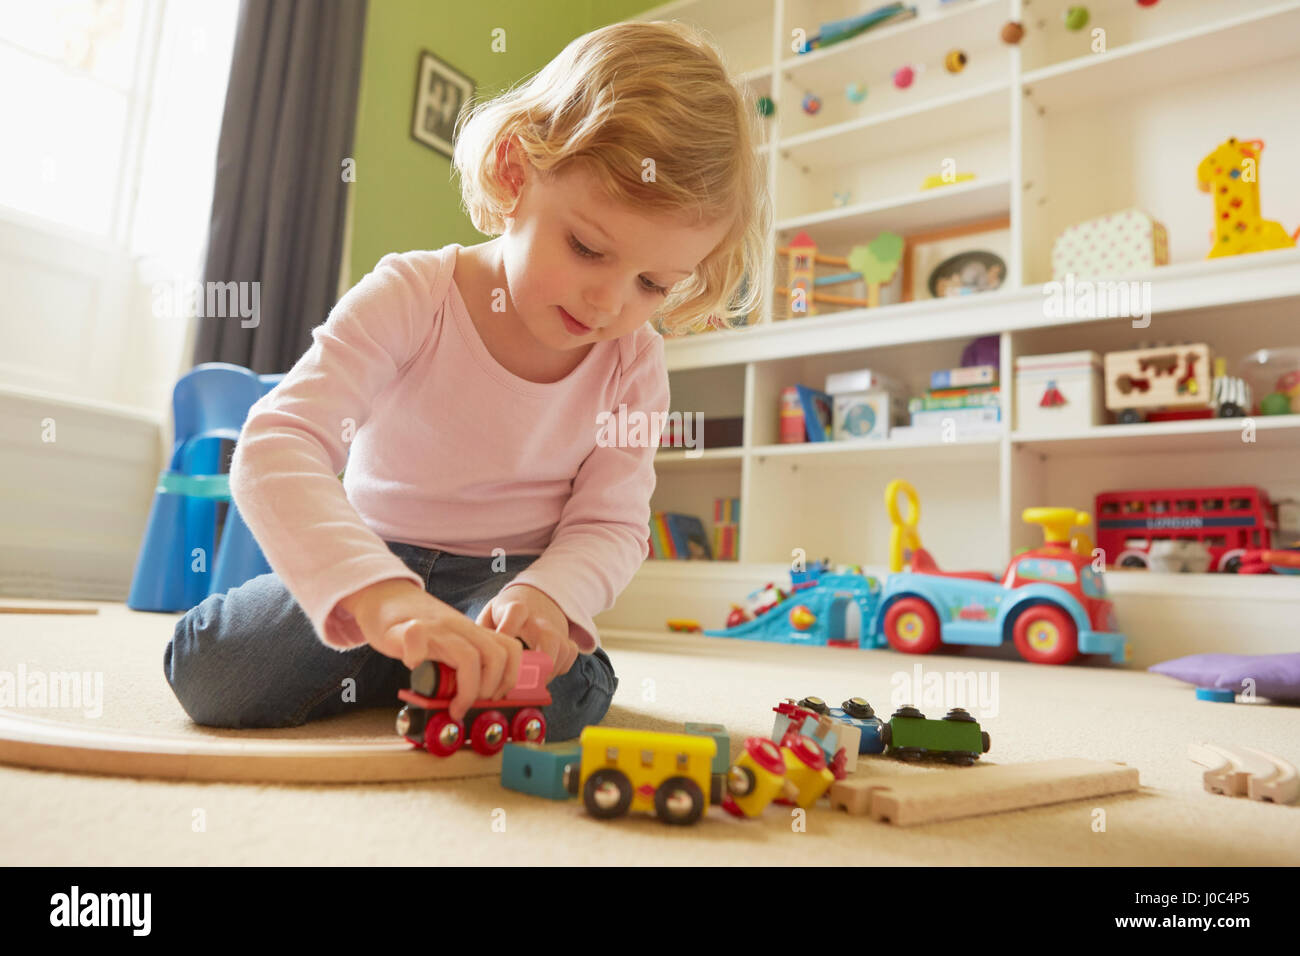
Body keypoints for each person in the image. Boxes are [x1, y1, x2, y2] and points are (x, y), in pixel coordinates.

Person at [163, 19, 768, 742]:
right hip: (376, 555)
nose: (610, 304)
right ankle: (410, 655)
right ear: (516, 172)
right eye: (586, 247)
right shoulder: (413, 294)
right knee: (213, 672)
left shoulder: (633, 363)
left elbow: (610, 523)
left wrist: (546, 596)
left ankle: (433, 668)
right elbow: (278, 442)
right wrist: (384, 599)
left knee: (571, 694)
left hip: (505, 587)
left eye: (652, 283)